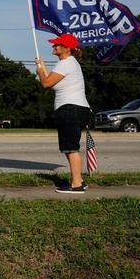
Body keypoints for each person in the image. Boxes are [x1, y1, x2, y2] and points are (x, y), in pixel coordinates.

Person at [35, 33, 92, 194]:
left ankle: (76, 185)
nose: (54, 47)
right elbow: (53, 83)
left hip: (70, 109)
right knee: (69, 147)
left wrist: (39, 71)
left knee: (71, 148)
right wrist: (42, 66)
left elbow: (45, 83)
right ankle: (78, 180)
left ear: (67, 49)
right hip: (77, 109)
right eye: (54, 44)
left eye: (57, 45)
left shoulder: (66, 63)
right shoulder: (69, 63)